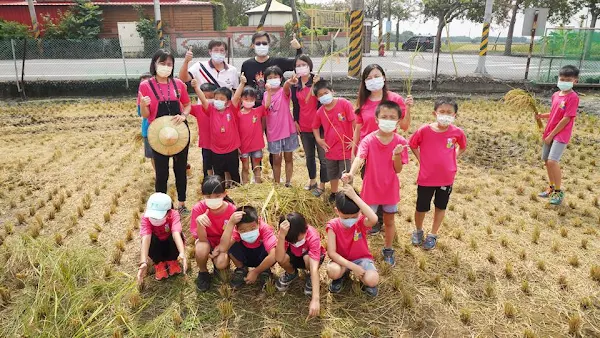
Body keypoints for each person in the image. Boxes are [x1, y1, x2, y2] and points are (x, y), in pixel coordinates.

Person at [342, 101, 409, 266]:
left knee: (389, 221)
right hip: (371, 189)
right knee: (367, 222)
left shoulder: (400, 142)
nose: (388, 119)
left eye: (392, 117)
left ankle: (388, 248)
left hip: (390, 190)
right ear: (377, 119)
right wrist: (351, 172)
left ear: (398, 121)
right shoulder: (369, 139)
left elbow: (398, 169)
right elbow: (360, 157)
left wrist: (397, 155)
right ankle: (361, 250)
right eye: (384, 116)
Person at [353, 64, 413, 235]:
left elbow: (404, 125)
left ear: (384, 77)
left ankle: (383, 218)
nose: (373, 80)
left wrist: (408, 109)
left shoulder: (395, 99)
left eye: (376, 76)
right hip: (367, 149)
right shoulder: (363, 103)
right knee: (369, 182)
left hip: (388, 149)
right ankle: (374, 218)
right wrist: (354, 150)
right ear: (364, 82)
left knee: (385, 183)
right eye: (369, 78)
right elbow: (358, 128)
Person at [408, 97, 467, 250]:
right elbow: (412, 143)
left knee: (440, 206)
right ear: (435, 113)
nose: (445, 115)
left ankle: (433, 234)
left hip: (446, 178)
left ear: (455, 115)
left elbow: (463, 146)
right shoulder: (424, 130)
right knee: (421, 207)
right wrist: (421, 160)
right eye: (442, 111)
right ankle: (418, 230)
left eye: (449, 112)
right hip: (426, 178)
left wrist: (454, 156)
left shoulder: (457, 132)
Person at [139, 49, 192, 215]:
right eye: (162, 63)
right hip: (158, 135)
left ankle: (182, 203)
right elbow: (146, 115)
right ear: (154, 64)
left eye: (169, 64)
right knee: (162, 172)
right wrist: (143, 104)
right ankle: (162, 206)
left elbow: (188, 104)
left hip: (179, 133)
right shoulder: (145, 86)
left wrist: (183, 115)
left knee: (180, 169)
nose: (166, 67)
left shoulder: (179, 84)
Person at [241, 31, 303, 168]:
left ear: (269, 45)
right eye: (258, 43)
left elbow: (298, 64)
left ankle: (275, 170)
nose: (261, 45)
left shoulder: (277, 62)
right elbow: (244, 87)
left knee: (273, 141)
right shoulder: (247, 65)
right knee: (253, 141)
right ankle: (256, 170)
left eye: (264, 43)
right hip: (255, 110)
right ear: (252, 46)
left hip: (274, 111)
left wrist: (298, 48)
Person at [536, 65, 580, 206]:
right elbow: (555, 113)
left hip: (560, 134)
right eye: (562, 79)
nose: (564, 81)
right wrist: (542, 116)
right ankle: (551, 187)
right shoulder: (555, 95)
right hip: (549, 132)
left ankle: (558, 192)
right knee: (546, 161)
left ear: (575, 81)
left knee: (552, 161)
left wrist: (551, 135)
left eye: (568, 79)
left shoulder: (573, 97)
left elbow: (566, 118)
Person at [191, 74, 247, 184]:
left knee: (234, 172)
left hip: (232, 149)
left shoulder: (232, 110)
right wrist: (196, 87)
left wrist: (242, 83)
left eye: (221, 99)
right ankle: (221, 192)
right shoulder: (211, 111)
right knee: (219, 174)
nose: (217, 101)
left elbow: (236, 97)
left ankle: (236, 190)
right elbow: (203, 100)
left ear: (228, 102)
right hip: (216, 150)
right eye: (216, 98)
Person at [326, 185, 380, 297]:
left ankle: (362, 279)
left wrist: (356, 197)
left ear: (359, 212)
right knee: (332, 271)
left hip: (361, 260)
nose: (350, 220)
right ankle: (343, 274)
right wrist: (352, 266)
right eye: (346, 218)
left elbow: (374, 219)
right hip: (342, 262)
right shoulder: (332, 226)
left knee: (373, 280)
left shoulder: (360, 221)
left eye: (354, 216)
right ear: (337, 211)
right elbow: (332, 253)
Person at [312, 80, 356, 203]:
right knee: (332, 173)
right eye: (320, 95)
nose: (324, 96)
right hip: (330, 149)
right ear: (317, 98)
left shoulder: (344, 104)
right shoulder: (320, 112)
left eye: (326, 92)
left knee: (346, 174)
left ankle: (348, 195)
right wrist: (318, 139)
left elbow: (354, 123)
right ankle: (334, 193)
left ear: (332, 91)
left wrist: (354, 141)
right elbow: (315, 126)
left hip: (345, 149)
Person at [190, 175, 237, 291]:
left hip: (224, 243)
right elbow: (201, 239)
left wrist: (221, 248)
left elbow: (235, 235)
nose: (213, 199)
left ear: (225, 193)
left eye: (217, 196)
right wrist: (200, 223)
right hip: (206, 241)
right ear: (203, 196)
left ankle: (218, 266)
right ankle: (203, 272)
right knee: (201, 249)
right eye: (208, 196)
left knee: (221, 263)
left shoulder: (232, 209)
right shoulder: (198, 209)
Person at [275, 212, 325, 317]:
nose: (296, 242)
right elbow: (279, 258)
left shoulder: (312, 236)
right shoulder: (285, 235)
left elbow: (314, 267)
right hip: (294, 255)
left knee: (307, 259)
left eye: (298, 239)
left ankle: (310, 277)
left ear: (305, 228)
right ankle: (291, 273)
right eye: (293, 241)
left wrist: (315, 299)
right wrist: (281, 236)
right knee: (283, 258)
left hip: (308, 259)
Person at [291, 55, 328, 196]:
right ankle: (312, 181)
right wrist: (296, 121)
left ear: (309, 65)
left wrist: (318, 85)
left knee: (323, 158)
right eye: (298, 65)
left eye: (303, 64)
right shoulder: (296, 84)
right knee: (309, 156)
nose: (301, 67)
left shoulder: (317, 80)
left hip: (319, 126)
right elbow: (295, 104)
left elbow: (325, 100)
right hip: (304, 125)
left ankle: (323, 184)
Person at [216, 205, 277, 289]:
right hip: (245, 257)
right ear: (236, 228)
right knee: (230, 244)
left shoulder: (265, 229)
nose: (248, 232)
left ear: (258, 222)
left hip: (261, 258)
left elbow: (273, 256)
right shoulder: (234, 230)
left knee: (273, 248)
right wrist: (230, 223)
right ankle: (241, 269)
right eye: (243, 230)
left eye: (252, 228)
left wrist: (256, 272)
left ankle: (264, 270)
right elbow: (223, 248)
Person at [137, 193, 187, 286]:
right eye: (153, 216)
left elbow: (176, 233)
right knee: (150, 239)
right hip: (157, 246)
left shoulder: (174, 214)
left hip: (170, 244)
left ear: (168, 212)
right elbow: (146, 238)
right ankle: (159, 264)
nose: (155, 219)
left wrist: (182, 253)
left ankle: (173, 261)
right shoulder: (146, 218)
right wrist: (143, 261)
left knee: (177, 235)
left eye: (158, 216)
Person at [264, 66, 299, 186]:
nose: (273, 79)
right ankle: (277, 183)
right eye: (270, 78)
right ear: (266, 80)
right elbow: (266, 108)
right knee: (276, 160)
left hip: (288, 130)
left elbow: (286, 88)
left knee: (288, 157)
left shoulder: (283, 92)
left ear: (280, 78)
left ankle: (288, 182)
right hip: (273, 132)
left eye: (276, 77)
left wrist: (289, 82)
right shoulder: (265, 95)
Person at [237, 86, 266, 184]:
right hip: (243, 146)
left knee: (257, 166)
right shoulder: (237, 114)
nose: (248, 101)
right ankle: (245, 185)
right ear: (241, 99)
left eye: (251, 99)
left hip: (256, 146)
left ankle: (257, 184)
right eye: (246, 99)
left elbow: (267, 104)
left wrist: (269, 91)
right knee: (245, 167)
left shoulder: (258, 111)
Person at [190, 83, 217, 178]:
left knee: (219, 165)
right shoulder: (197, 109)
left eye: (211, 97)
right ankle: (208, 181)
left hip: (220, 143)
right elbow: (184, 106)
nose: (207, 100)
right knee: (207, 164)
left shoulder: (218, 109)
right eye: (204, 97)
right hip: (206, 143)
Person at [137, 72, 154, 171]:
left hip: (162, 127)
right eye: (141, 84)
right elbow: (140, 113)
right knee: (152, 155)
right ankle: (158, 175)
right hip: (148, 130)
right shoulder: (140, 98)